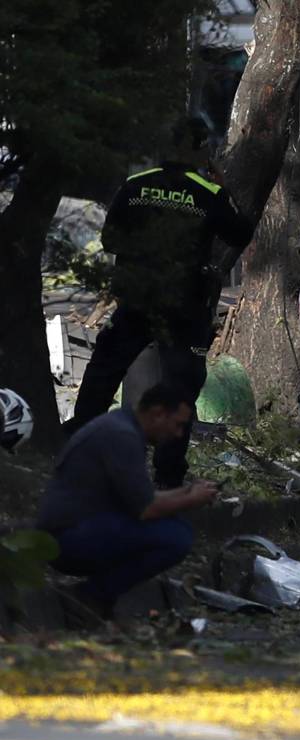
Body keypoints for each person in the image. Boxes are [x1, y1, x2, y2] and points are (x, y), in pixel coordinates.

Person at [67, 116, 255, 488]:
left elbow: (110, 239)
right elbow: (241, 233)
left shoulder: (136, 185)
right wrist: (224, 184)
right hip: (184, 306)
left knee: (102, 376)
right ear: (201, 151)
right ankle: (168, 477)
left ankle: (78, 453)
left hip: (136, 299)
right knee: (181, 388)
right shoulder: (208, 193)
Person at [38, 384, 218, 623]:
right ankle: (92, 596)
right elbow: (146, 508)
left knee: (175, 526)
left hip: (81, 528)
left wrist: (189, 492)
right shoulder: (121, 435)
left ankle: (99, 597)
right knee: (176, 537)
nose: (177, 434)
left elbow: (142, 498)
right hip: (68, 538)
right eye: (177, 424)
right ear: (157, 413)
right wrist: (191, 498)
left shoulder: (122, 427)